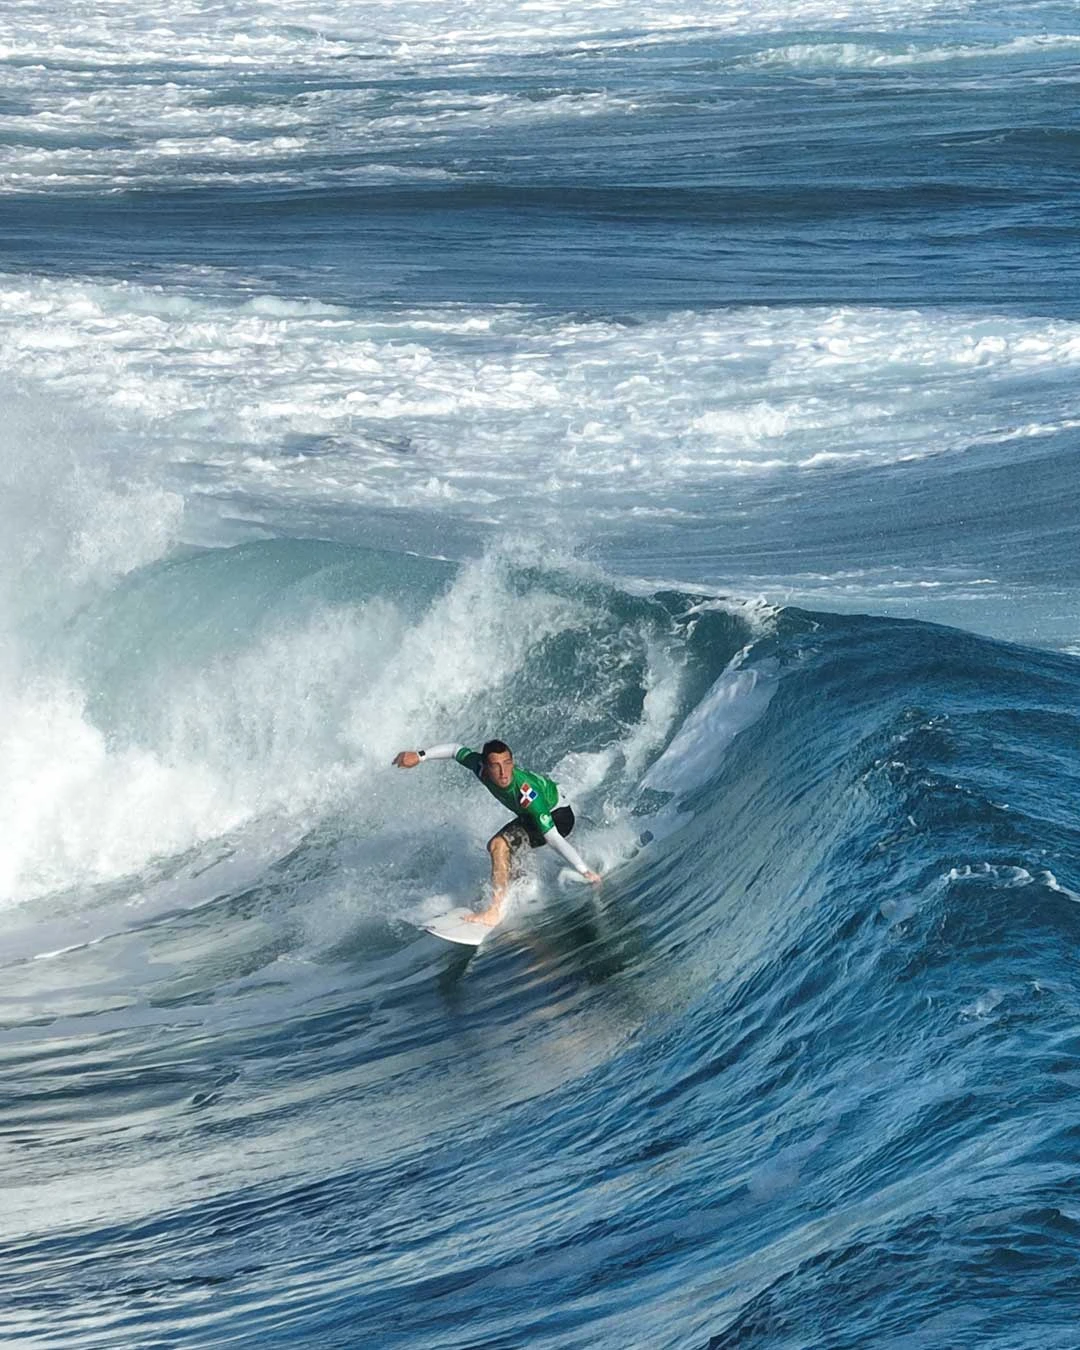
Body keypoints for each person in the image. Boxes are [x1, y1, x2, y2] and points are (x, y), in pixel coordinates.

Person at [392, 739, 601, 925]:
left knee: (498, 845)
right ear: (485, 765)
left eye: (507, 764)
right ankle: (517, 892)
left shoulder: (526, 793)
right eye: (496, 766)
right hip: (529, 816)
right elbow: (456, 750)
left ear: (512, 762)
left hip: (559, 818)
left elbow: (553, 838)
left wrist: (584, 870)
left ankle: (495, 910)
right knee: (506, 850)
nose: (503, 773)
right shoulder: (479, 767)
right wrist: (420, 756)